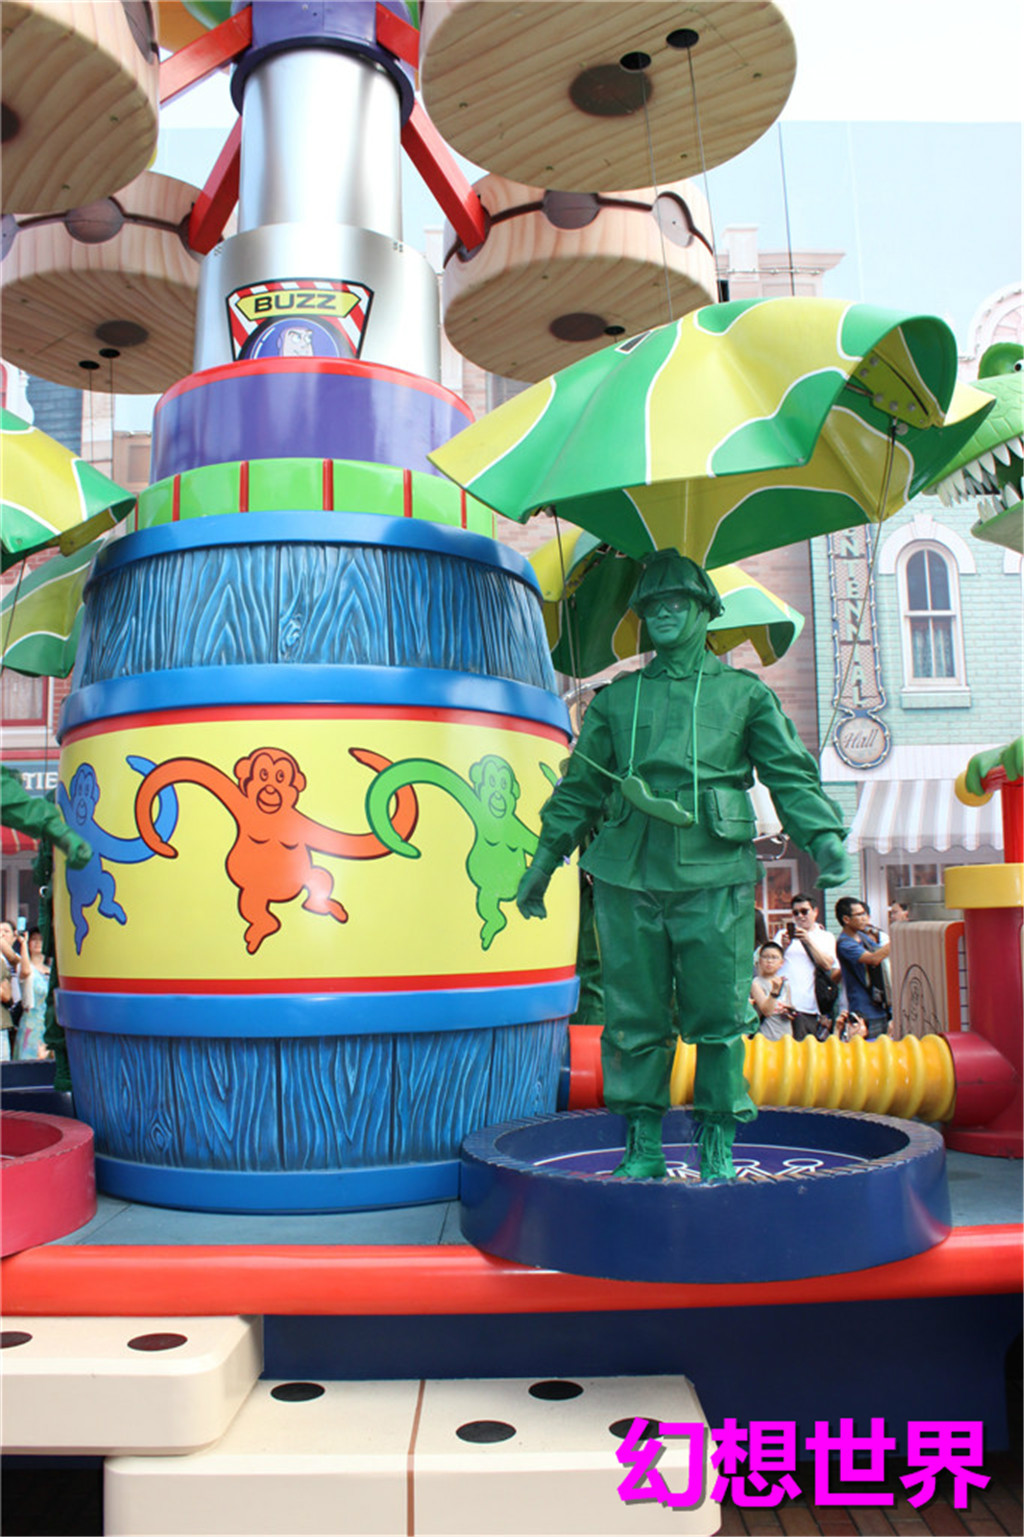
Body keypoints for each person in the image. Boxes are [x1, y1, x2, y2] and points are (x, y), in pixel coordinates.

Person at [516, 549, 848, 1181]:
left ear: (704, 611)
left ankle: (717, 1141)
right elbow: (580, 789)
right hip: (628, 872)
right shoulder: (617, 700)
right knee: (632, 1017)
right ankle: (642, 1142)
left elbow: (789, 774)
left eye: (677, 603)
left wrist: (825, 837)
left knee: (720, 1018)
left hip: (713, 874)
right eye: (653, 606)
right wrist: (544, 861)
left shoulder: (743, 695)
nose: (664, 614)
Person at [776, 893, 840, 1041]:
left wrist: (808, 941)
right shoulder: (781, 935)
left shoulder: (825, 936)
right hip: (782, 1006)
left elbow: (827, 965)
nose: (800, 916)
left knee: (805, 1049)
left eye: (804, 911)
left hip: (808, 1006)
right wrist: (784, 948)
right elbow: (769, 964)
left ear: (815, 912)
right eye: (796, 913)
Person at [835, 896, 891, 1039]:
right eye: (859, 914)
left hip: (879, 1004)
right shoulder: (845, 943)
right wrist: (897, 937)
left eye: (864, 913)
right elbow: (873, 959)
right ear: (846, 919)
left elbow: (880, 952)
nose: (864, 918)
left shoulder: (863, 936)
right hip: (864, 1010)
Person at [14, 928, 52, 1060]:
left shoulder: (50, 971)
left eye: (41, 940)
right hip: (31, 1023)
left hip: (48, 1023)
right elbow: (25, 971)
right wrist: (23, 944)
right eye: (34, 939)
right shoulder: (26, 966)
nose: (37, 943)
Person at [751, 942, 793, 1040]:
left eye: (774, 957)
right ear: (759, 960)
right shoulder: (756, 983)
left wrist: (790, 1011)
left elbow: (789, 1008)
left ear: (781, 963)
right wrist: (774, 992)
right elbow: (767, 1011)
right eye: (765, 957)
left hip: (785, 1035)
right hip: (766, 1035)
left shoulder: (785, 983)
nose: (769, 961)